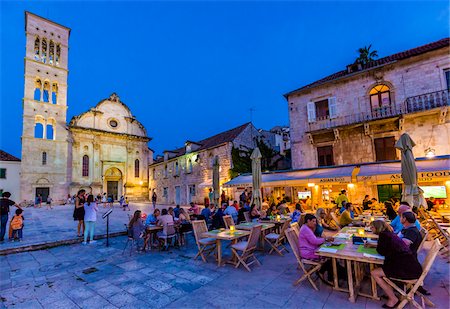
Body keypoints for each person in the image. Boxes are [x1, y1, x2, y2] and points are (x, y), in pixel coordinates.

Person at [368, 220, 422, 308]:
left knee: (374, 272)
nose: (371, 229)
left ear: (377, 228)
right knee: (380, 268)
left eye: (372, 227)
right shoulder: (388, 233)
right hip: (411, 265)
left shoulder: (383, 236)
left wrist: (377, 246)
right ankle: (391, 292)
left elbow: (381, 251)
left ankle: (393, 298)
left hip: (406, 269)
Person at [298, 214, 335, 283]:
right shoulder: (306, 229)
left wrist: (323, 239)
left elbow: (314, 239)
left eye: (315, 221)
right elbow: (314, 241)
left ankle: (323, 272)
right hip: (308, 253)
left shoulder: (306, 227)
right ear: (308, 221)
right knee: (330, 256)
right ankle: (329, 276)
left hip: (310, 250)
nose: (315, 223)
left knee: (330, 255)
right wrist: (326, 239)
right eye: (313, 221)